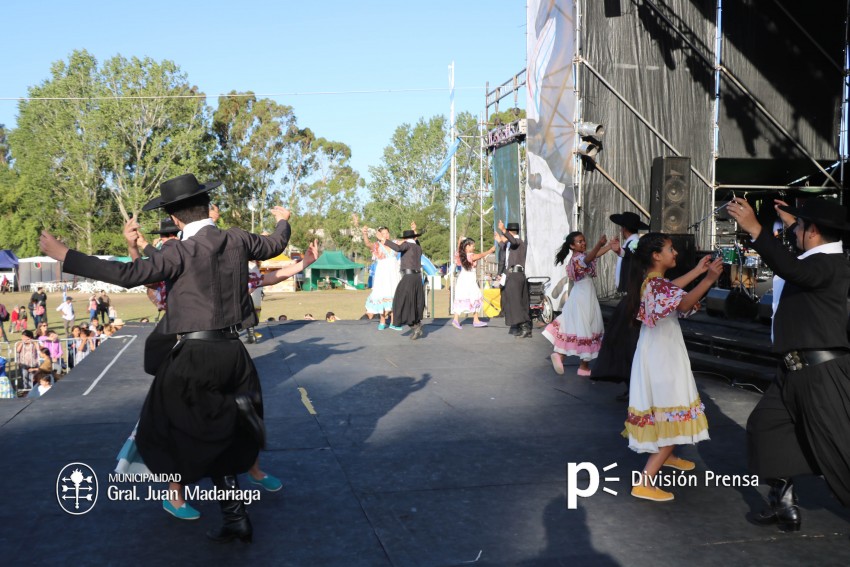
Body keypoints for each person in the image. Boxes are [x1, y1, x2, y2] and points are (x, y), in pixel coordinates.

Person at [40, 173, 292, 543]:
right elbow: (276, 242)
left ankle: (176, 494)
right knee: (224, 432)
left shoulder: (179, 250)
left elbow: (128, 274)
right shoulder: (238, 238)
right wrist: (283, 217)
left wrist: (66, 255)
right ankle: (234, 517)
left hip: (194, 357)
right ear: (207, 207)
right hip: (235, 355)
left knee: (161, 425)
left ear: (174, 218)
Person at [728, 196, 850, 531]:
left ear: (812, 231)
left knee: (840, 453)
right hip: (792, 372)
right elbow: (794, 262)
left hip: (821, 374)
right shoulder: (815, 258)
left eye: (798, 227)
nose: (792, 232)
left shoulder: (831, 263)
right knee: (766, 426)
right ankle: (783, 503)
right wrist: (791, 217)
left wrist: (755, 228)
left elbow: (792, 267)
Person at [624, 233, 723, 502]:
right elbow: (685, 302)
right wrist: (708, 279)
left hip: (660, 350)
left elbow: (676, 293)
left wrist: (698, 271)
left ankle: (668, 454)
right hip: (662, 355)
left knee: (667, 406)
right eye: (670, 249)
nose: (675, 252)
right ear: (656, 255)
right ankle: (645, 481)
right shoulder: (656, 285)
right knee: (672, 406)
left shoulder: (654, 283)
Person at [592, 212, 651, 400]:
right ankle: (630, 384)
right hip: (630, 297)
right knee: (623, 341)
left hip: (633, 298)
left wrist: (620, 252)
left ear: (623, 228)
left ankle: (634, 385)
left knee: (626, 342)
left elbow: (634, 257)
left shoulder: (635, 243)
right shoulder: (631, 243)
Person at [543, 232, 612, 376]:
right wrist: (600, 244)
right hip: (583, 295)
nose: (583, 243)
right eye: (579, 242)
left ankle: (567, 358)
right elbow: (589, 258)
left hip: (583, 293)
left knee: (577, 325)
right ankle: (582, 366)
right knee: (586, 325)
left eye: (583, 240)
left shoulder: (577, 257)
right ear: (572, 245)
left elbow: (594, 255)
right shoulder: (578, 258)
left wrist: (609, 247)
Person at [383, 223, 427, 340]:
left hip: (409, 277)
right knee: (412, 302)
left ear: (406, 239)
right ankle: (416, 325)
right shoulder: (417, 247)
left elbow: (398, 248)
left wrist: (385, 240)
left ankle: (415, 326)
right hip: (417, 277)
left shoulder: (407, 245)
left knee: (400, 301)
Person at [360, 224, 402, 331]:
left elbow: (407, 242)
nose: (386, 235)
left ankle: (393, 322)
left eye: (387, 233)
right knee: (382, 296)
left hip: (394, 273)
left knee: (394, 296)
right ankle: (382, 321)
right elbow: (367, 243)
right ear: (379, 235)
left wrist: (413, 231)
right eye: (383, 233)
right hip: (383, 273)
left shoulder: (395, 243)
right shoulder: (377, 245)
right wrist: (365, 234)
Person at [496, 220, 532, 338]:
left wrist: (503, 230)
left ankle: (524, 327)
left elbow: (513, 241)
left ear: (510, 232)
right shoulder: (511, 244)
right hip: (512, 275)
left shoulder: (518, 242)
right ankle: (519, 326)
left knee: (516, 302)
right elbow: (506, 251)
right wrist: (499, 241)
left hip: (516, 275)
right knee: (514, 301)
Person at [452, 237, 495, 329]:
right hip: (469, 280)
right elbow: (481, 255)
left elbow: (459, 250)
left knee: (463, 297)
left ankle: (458, 319)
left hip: (463, 278)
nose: (474, 248)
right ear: (467, 247)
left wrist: (459, 241)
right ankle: (474, 320)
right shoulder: (471, 256)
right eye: (472, 246)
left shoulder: (461, 255)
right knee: (475, 296)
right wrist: (490, 250)